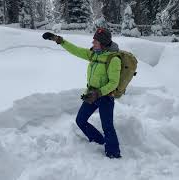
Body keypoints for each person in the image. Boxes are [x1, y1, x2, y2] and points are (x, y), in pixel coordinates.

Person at [42, 28, 122, 159]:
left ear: (102, 42)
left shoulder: (113, 59)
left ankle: (114, 153)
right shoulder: (94, 54)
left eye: (95, 40)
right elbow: (76, 50)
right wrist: (59, 40)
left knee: (107, 126)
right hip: (91, 94)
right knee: (80, 120)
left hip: (105, 97)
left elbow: (114, 83)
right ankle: (99, 141)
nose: (93, 42)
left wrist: (99, 93)